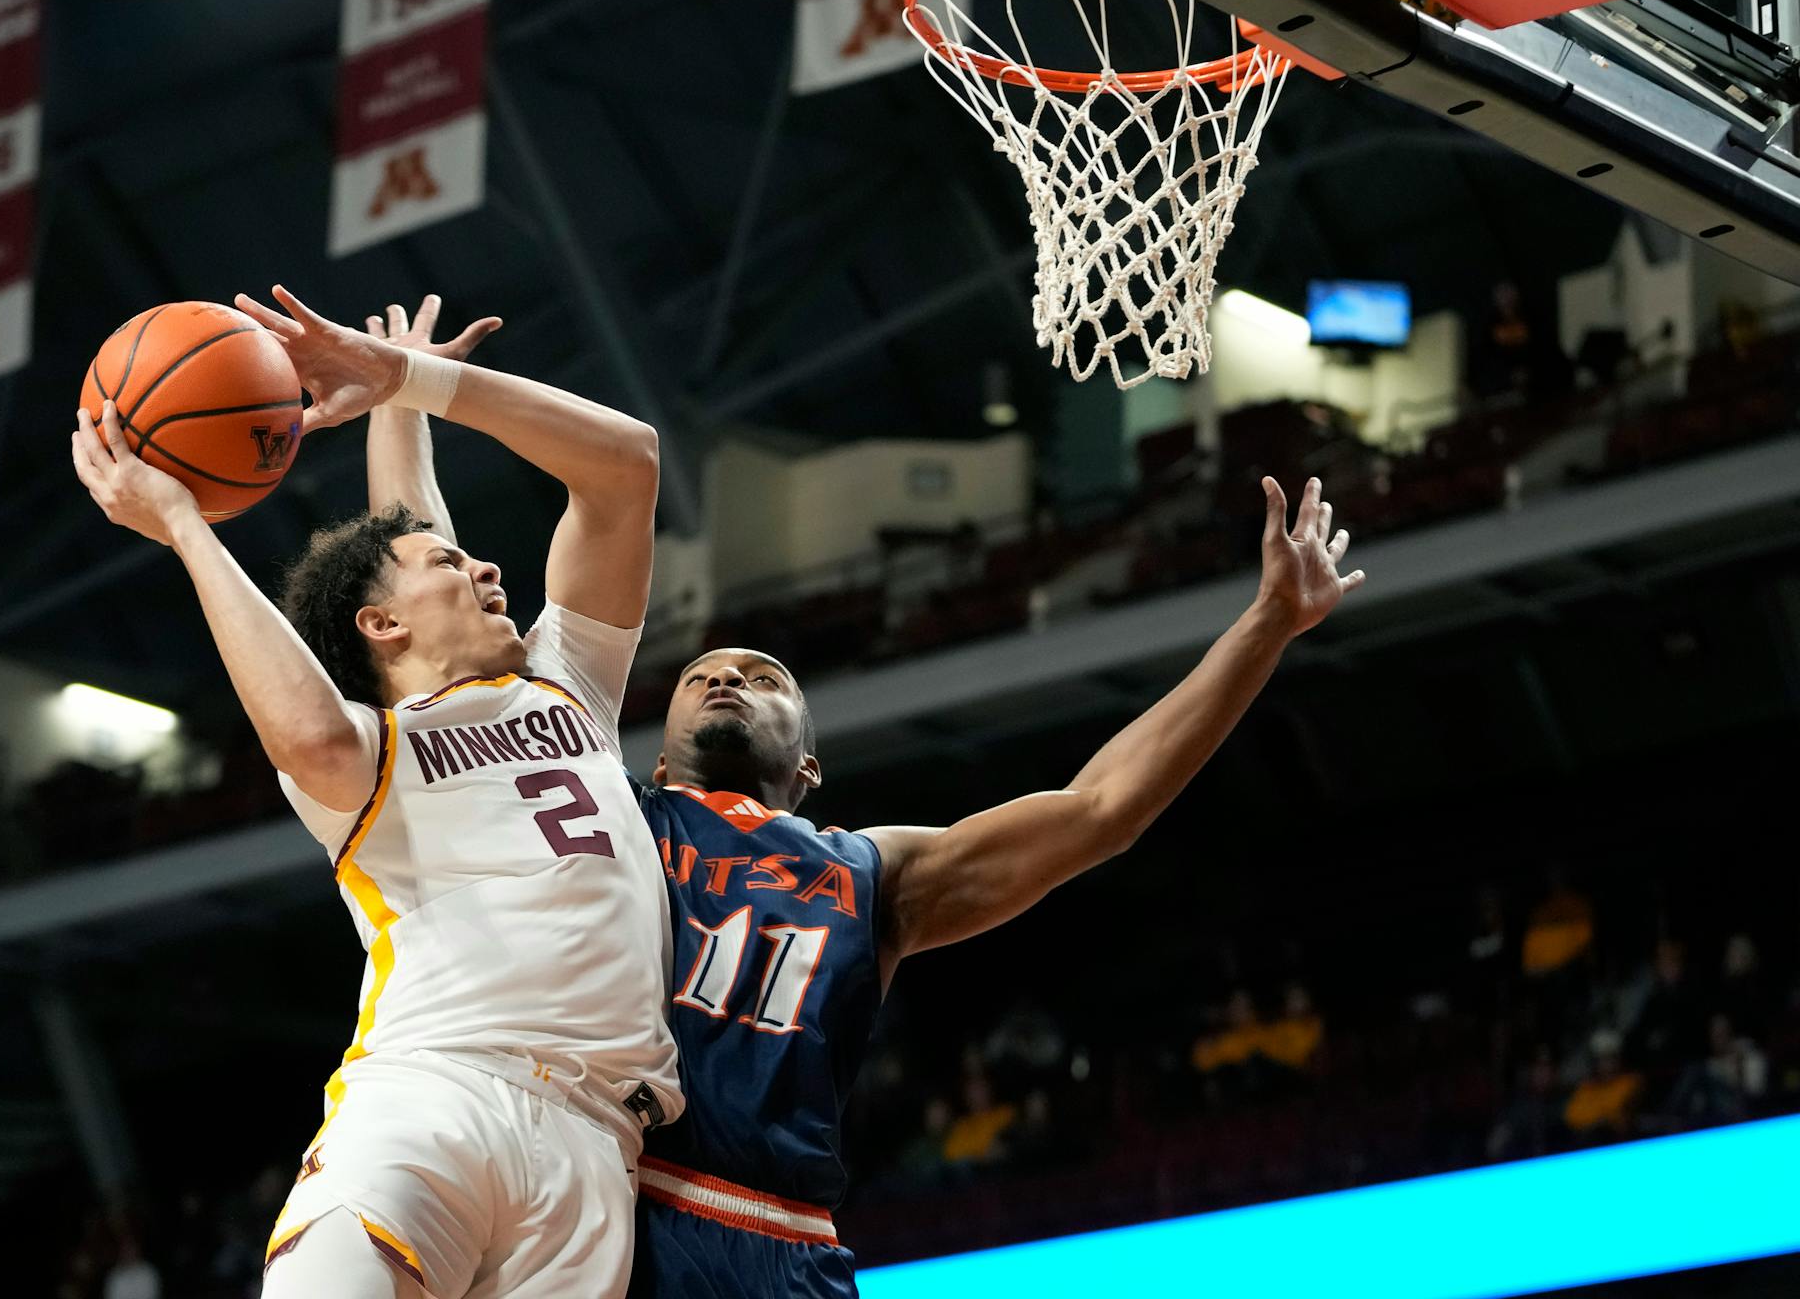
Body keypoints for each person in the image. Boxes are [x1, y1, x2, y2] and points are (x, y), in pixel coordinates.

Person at [365, 377, 1365, 1298]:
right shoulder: (609, 813)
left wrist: (1268, 625)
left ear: (809, 769)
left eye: (763, 678)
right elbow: (432, 607)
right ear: (659, 759)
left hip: (785, 1239)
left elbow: (1103, 809)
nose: (725, 680)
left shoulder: (872, 873)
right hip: (612, 1211)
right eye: (703, 673)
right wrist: (401, 395)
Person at [69, 288, 682, 1299]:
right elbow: (305, 726)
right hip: (435, 1093)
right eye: (452, 563)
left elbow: (627, 465)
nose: (490, 565)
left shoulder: (565, 681)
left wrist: (409, 387)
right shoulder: (369, 755)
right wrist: (184, 524)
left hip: (596, 1142)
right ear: (380, 628)